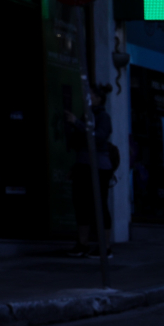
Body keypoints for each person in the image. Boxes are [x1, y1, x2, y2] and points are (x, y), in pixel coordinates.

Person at [66, 84, 114, 258]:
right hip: (83, 165)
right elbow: (79, 143)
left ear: (99, 98)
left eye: (91, 96)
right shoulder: (87, 115)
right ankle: (82, 244)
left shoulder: (103, 117)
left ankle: (105, 247)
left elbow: (99, 138)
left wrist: (78, 124)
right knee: (81, 205)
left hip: (99, 167)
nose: (87, 99)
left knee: (99, 205)